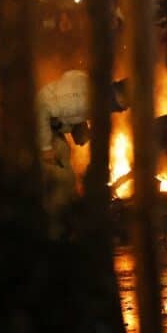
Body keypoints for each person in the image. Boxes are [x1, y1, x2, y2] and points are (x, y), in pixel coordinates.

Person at [37, 71, 128, 235]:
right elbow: (41, 107)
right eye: (122, 105)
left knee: (65, 159)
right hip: (35, 123)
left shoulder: (94, 98)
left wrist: (81, 130)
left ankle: (63, 227)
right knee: (63, 178)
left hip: (51, 126)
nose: (121, 110)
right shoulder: (82, 99)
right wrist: (45, 148)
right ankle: (53, 233)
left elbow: (72, 115)